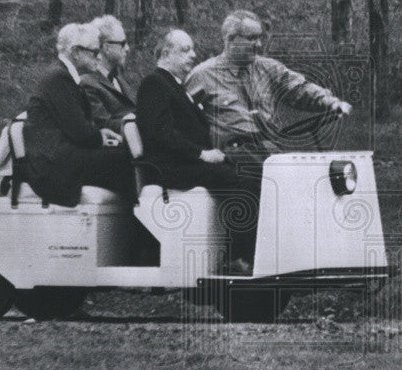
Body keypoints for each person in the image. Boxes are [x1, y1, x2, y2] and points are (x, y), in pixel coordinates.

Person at [136, 28, 258, 274]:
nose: (193, 55)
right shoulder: (155, 83)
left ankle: (244, 253)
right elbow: (160, 132)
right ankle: (238, 257)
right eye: (185, 50)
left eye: (192, 49)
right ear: (166, 53)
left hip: (185, 163)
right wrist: (201, 154)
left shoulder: (175, 86)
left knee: (251, 173)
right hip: (170, 168)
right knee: (242, 182)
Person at [185, 9, 353, 157]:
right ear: (230, 39)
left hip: (270, 149)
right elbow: (181, 117)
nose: (258, 45)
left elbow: (299, 89)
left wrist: (330, 102)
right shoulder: (202, 76)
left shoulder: (268, 68)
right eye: (251, 38)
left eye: (259, 38)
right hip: (232, 156)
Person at [22, 22, 137, 208]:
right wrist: (100, 137)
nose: (98, 57)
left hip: (61, 156)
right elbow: (80, 132)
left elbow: (80, 126)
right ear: (75, 52)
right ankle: (135, 224)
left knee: (121, 156)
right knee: (124, 159)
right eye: (93, 52)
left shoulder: (63, 76)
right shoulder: (59, 78)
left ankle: (129, 219)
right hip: (54, 165)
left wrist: (101, 134)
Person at [79, 14, 137, 132]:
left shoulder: (119, 78)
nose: (127, 48)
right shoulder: (86, 83)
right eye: (123, 43)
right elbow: (103, 123)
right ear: (106, 48)